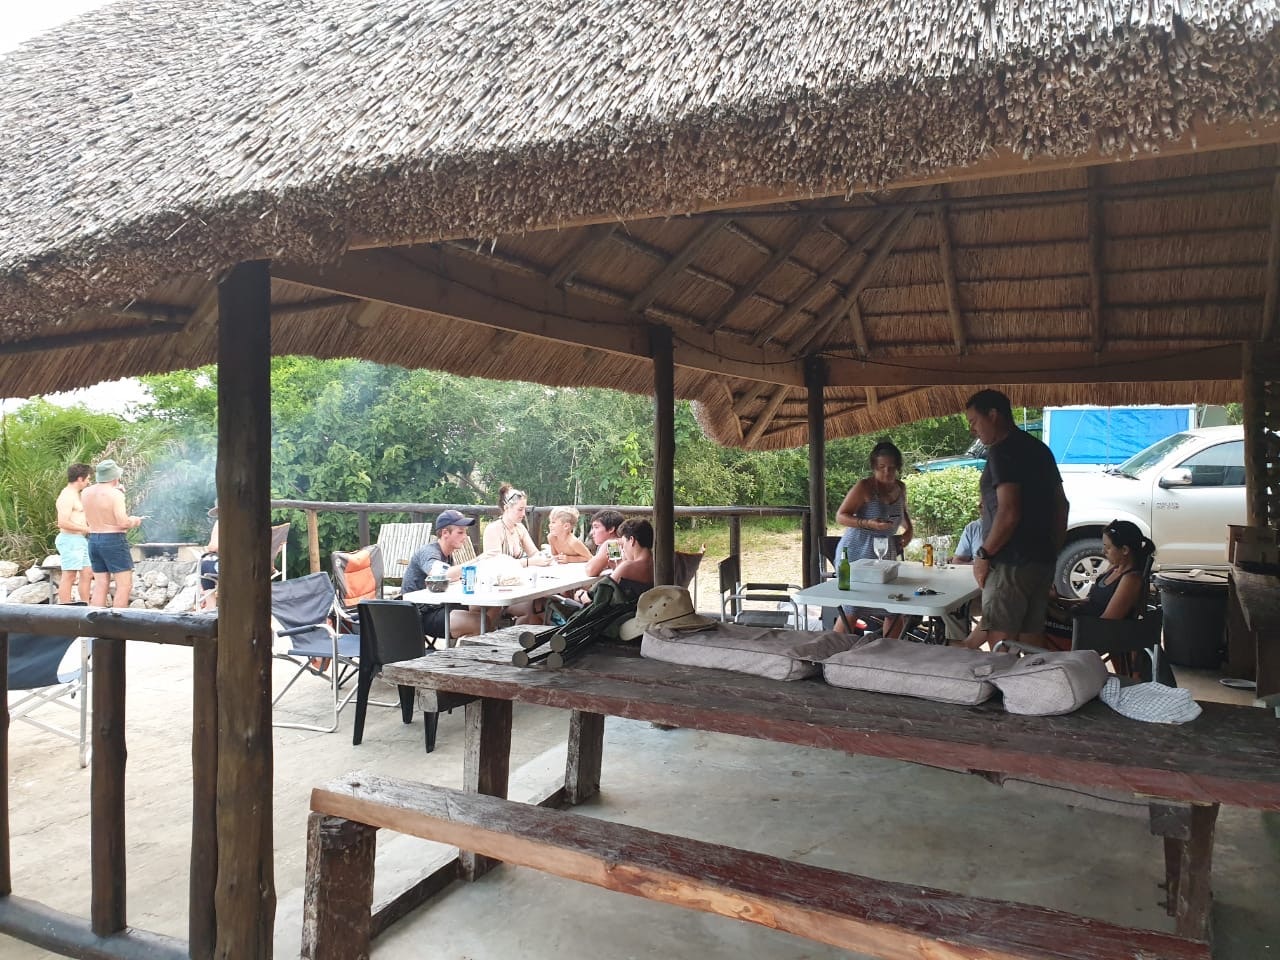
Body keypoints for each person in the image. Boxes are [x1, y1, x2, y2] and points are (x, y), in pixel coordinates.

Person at [960, 389, 1069, 650]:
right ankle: (1034, 679)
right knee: (1032, 642)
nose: (973, 429)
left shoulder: (1002, 451)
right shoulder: (1039, 449)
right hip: (1040, 561)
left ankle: (1002, 681)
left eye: (974, 421)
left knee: (1002, 645)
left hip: (1009, 562)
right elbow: (1062, 506)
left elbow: (1009, 512)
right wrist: (1052, 551)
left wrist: (984, 555)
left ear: (993, 415)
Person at [832, 439, 914, 635]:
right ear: (874, 467)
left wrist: (909, 530)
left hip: (884, 552)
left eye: (891, 468)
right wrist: (868, 523)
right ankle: (832, 649)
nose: (886, 472)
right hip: (856, 551)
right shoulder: (864, 487)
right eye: (881, 467)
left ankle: (887, 651)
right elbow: (840, 516)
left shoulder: (900, 488)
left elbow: (902, 513)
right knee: (853, 608)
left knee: (893, 608)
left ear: (898, 467)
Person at [1044, 519, 1154, 651]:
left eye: (1108, 548)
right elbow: (1090, 601)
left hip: (1088, 633)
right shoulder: (1113, 569)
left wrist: (1061, 616)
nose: (1103, 551)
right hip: (1079, 621)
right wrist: (1058, 600)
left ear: (1125, 550)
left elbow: (1106, 623)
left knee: (1035, 622)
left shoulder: (1131, 579)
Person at [402, 509, 482, 640]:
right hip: (419, 613)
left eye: (465, 532)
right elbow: (439, 574)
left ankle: (469, 647)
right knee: (481, 622)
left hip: (440, 605)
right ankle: (468, 649)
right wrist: (477, 561)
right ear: (445, 533)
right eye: (460, 532)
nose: (465, 537)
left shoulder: (447, 555)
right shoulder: (429, 552)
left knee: (491, 608)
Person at [81, 459, 144, 608]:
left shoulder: (86, 492)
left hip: (93, 539)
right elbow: (123, 522)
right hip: (113, 539)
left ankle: (95, 620)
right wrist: (135, 521)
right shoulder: (115, 494)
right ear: (115, 477)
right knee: (124, 585)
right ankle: (118, 620)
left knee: (101, 583)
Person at [482, 485, 552, 570]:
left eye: (524, 510)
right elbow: (494, 564)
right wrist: (529, 562)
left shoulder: (520, 528)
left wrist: (544, 557)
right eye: (520, 509)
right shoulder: (493, 529)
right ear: (506, 508)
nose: (523, 514)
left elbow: (533, 553)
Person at [54, 463, 93, 604]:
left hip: (80, 540)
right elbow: (62, 522)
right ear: (80, 478)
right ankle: (65, 607)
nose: (88, 482)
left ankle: (85, 604)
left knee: (87, 573)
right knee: (69, 575)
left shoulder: (77, 495)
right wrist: (87, 529)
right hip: (69, 539)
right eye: (88, 478)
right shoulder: (66, 496)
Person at [609, 518, 654, 599]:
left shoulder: (627, 566)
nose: (623, 549)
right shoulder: (659, 564)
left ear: (631, 540)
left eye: (623, 544)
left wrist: (619, 568)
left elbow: (598, 594)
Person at [583, 508, 625, 577]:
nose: (592, 533)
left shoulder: (613, 544)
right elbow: (617, 566)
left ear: (611, 529)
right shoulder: (623, 542)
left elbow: (590, 570)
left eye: (596, 527)